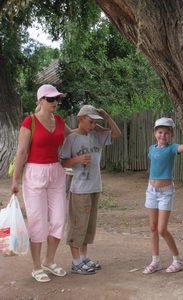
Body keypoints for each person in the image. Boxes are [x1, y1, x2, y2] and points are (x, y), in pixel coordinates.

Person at [11, 84, 72, 282]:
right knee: (38, 222)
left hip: (56, 171)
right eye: (50, 99)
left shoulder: (60, 121)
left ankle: (49, 260)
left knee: (59, 220)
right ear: (40, 101)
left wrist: (92, 126)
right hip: (34, 173)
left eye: (57, 99)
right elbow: (21, 153)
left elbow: (73, 134)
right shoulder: (30, 122)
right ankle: (36, 266)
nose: (55, 102)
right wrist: (15, 181)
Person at [59, 105, 121, 275]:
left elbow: (117, 134)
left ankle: (84, 258)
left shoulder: (96, 136)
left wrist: (106, 116)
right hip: (79, 188)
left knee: (88, 225)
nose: (93, 125)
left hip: (95, 186)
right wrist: (77, 159)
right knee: (78, 224)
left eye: (95, 122)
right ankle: (76, 261)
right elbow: (63, 162)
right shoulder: (71, 138)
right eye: (91, 121)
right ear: (80, 119)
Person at [143, 117, 183, 274]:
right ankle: (155, 261)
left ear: (172, 135)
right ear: (155, 133)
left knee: (162, 229)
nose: (163, 135)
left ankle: (178, 260)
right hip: (151, 191)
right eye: (160, 132)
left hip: (165, 193)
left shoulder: (172, 148)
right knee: (153, 228)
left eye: (167, 133)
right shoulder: (151, 149)